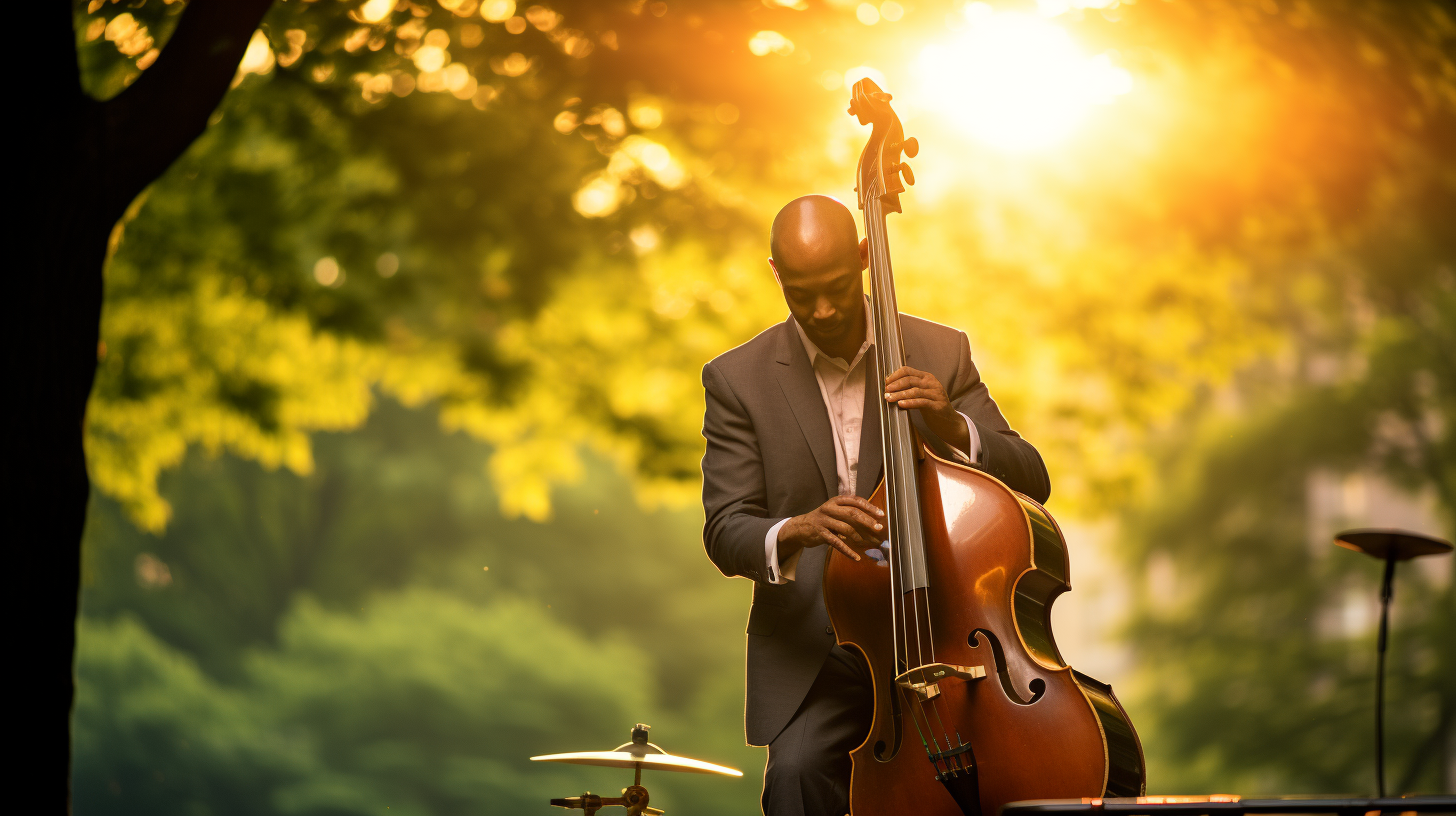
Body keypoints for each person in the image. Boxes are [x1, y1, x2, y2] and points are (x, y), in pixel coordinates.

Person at [699, 195, 1051, 816]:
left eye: (836, 286)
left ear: (865, 258)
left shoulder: (940, 350)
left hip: (950, 637)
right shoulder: (736, 379)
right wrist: (798, 529)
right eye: (802, 294)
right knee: (797, 778)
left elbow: (1032, 479)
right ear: (776, 274)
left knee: (1020, 775)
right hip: (822, 648)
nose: (824, 309)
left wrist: (950, 422)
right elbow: (726, 530)